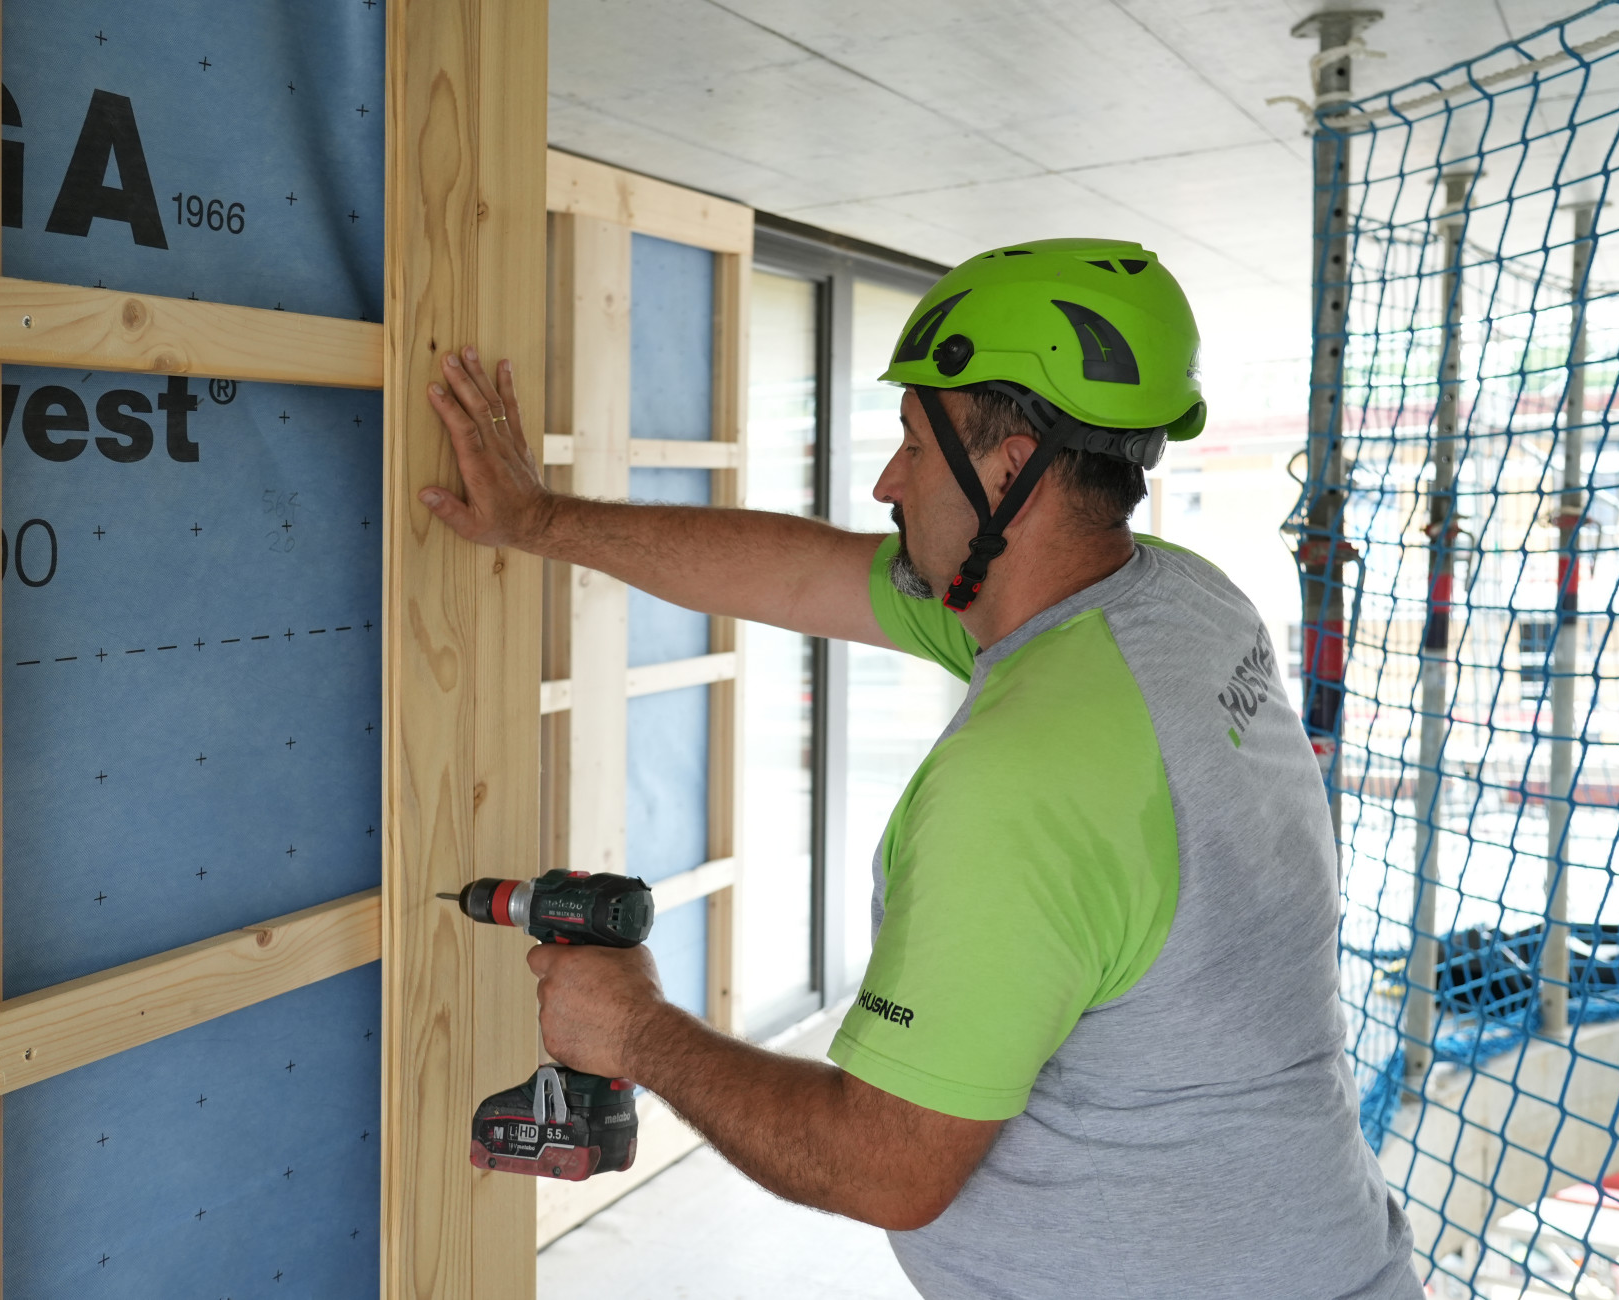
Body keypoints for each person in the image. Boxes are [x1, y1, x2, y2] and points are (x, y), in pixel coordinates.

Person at [418, 238, 1420, 1298]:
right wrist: (540, 520)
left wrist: (636, 1029)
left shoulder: (1021, 779)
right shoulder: (1169, 600)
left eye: (911, 440)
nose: (889, 481)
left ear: (1009, 464)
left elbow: (884, 1163)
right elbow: (806, 574)